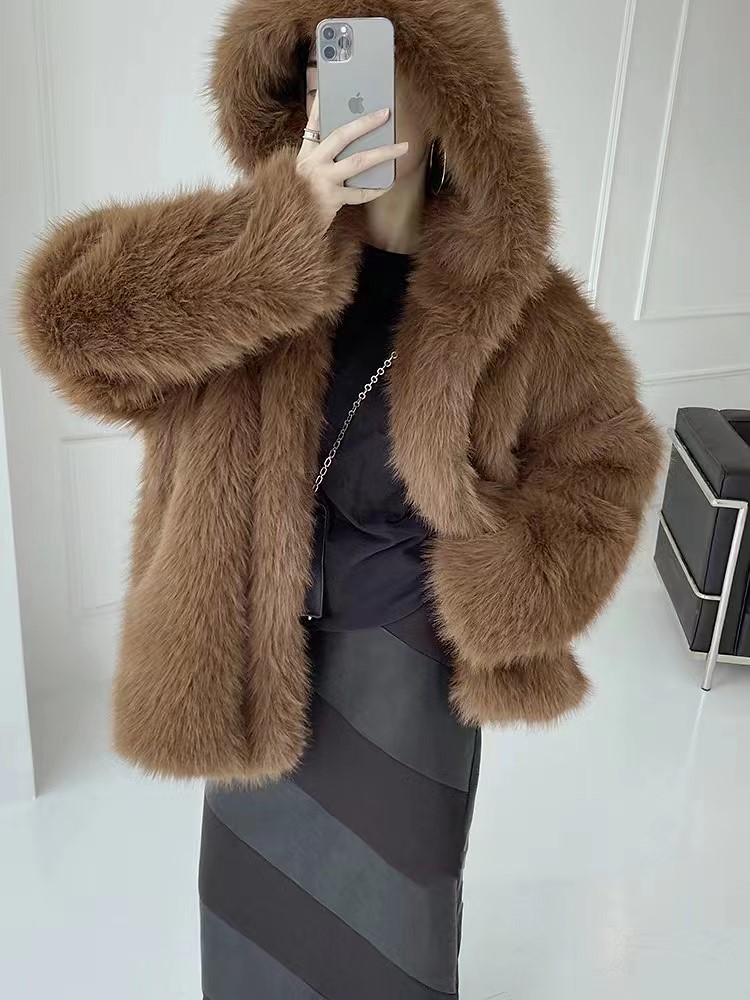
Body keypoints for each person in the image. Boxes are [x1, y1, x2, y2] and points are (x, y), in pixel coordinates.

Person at [17, 0, 663, 996]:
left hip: (407, 670)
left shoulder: (520, 310)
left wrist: (498, 585)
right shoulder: (253, 271)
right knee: (254, 926)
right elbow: (67, 322)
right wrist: (273, 231)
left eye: (375, 69)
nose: (342, 97)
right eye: (322, 72)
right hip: (252, 658)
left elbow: (609, 461)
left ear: (450, 105)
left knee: (399, 923)